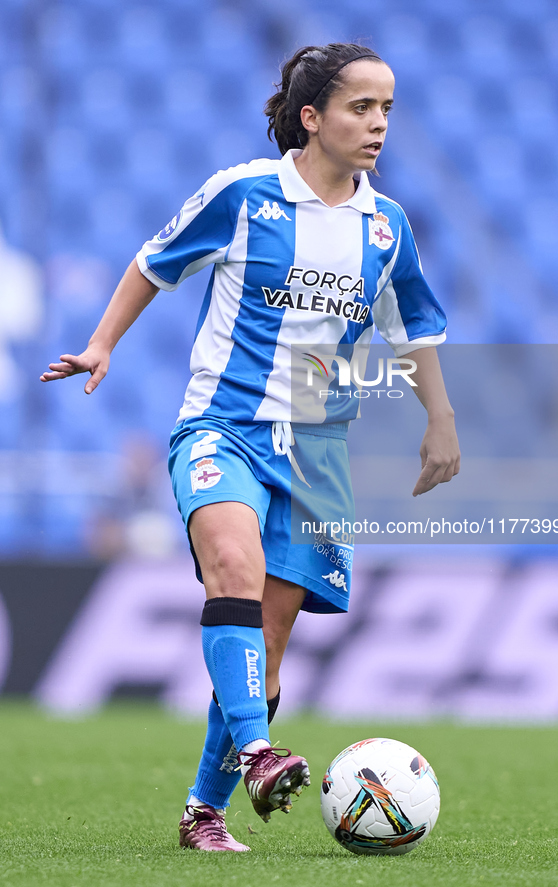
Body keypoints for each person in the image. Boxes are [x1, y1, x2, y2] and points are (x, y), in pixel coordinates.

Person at [40, 42, 460, 852]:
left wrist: (439, 418)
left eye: (386, 110)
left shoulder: (386, 226)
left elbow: (417, 326)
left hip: (315, 451)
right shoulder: (243, 194)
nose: (377, 125)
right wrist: (101, 345)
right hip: (220, 425)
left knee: (261, 662)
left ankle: (206, 807)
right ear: (312, 117)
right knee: (231, 568)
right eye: (359, 108)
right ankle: (261, 754)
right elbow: (151, 263)